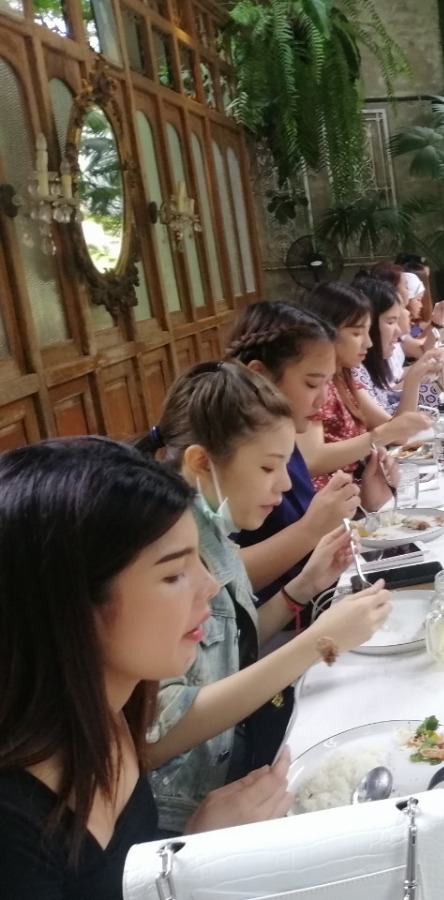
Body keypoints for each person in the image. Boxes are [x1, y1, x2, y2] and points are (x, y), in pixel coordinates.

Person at [0, 437, 293, 898]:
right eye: (174, 574)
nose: (209, 586)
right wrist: (191, 857)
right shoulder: (14, 829)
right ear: (71, 606)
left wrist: (186, 848)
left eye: (198, 561)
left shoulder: (111, 710)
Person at [136, 361, 391, 832]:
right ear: (201, 463)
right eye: (269, 467)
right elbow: (159, 730)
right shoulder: (166, 552)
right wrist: (317, 642)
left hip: (236, 769)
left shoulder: (212, 530)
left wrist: (301, 589)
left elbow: (230, 645)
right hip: (187, 815)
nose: (287, 483)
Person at [224, 300, 360, 604]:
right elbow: (217, 580)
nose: (323, 400)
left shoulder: (284, 436)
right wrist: (310, 530)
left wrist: (369, 497)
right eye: (312, 384)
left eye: (328, 384)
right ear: (260, 375)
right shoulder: (226, 449)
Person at [294, 282, 431, 491]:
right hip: (326, 505)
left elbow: (398, 432)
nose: (368, 343)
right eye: (357, 333)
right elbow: (311, 460)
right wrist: (380, 436)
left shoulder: (345, 376)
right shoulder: (316, 386)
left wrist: (414, 379)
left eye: (368, 332)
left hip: (358, 497)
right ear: (326, 331)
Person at [351, 271, 444, 416]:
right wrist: (431, 383)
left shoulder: (359, 369)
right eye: (391, 321)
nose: (398, 332)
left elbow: (388, 406)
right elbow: (394, 424)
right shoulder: (352, 373)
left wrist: (423, 370)